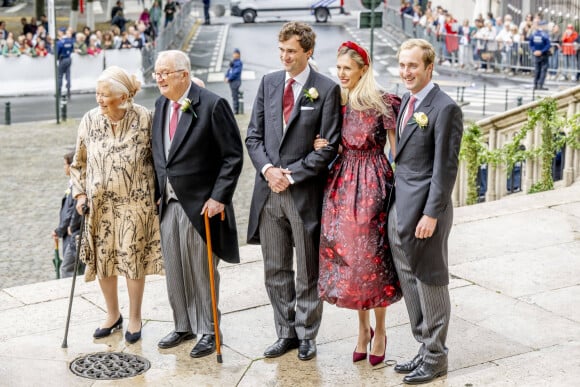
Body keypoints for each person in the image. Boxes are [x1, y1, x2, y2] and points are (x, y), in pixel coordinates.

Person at [245, 21, 342, 361]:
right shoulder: (269, 83)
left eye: (292, 52)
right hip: (269, 192)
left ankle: (306, 334)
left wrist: (293, 174)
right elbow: (253, 136)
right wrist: (269, 170)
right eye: (282, 51)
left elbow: (328, 147)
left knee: (307, 269)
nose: (285, 57)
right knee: (275, 268)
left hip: (303, 195)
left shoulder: (326, 90)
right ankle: (284, 332)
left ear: (308, 52)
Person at [314, 41, 402, 366]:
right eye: (338, 69)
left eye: (346, 69)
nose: (341, 74)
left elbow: (398, 151)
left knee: (373, 261)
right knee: (351, 262)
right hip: (341, 186)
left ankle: (380, 330)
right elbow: (341, 145)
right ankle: (362, 330)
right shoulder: (340, 102)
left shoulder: (384, 102)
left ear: (363, 69)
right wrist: (325, 145)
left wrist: (402, 189)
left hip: (373, 184)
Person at [151, 50, 243, 358]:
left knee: (202, 270)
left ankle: (208, 328)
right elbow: (160, 153)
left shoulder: (213, 105)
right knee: (175, 268)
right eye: (157, 73)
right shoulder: (162, 104)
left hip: (201, 204)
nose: (159, 78)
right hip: (168, 201)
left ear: (184, 75)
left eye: (165, 72)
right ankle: (183, 324)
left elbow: (233, 156)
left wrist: (219, 197)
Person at [70, 66, 163, 344]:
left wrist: (161, 192)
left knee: (132, 259)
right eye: (97, 93)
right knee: (104, 261)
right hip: (99, 205)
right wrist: (80, 195)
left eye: (105, 94)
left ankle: (135, 316)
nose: (99, 99)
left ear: (123, 97)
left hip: (135, 204)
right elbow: (79, 163)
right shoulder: (89, 120)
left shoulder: (145, 118)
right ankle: (113, 315)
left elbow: (160, 159)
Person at [389, 38, 463, 385]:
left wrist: (431, 214)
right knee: (410, 281)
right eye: (403, 65)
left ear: (429, 68)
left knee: (431, 281)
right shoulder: (406, 100)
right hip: (399, 210)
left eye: (413, 66)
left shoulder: (444, 108)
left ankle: (436, 357)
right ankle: (423, 346)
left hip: (425, 214)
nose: (406, 72)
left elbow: (445, 168)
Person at [52, 151, 84, 278]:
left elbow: (71, 210)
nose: (64, 168)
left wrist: (62, 229)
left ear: (71, 166)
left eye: (65, 165)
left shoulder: (76, 186)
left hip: (73, 233)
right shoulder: (72, 184)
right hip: (72, 231)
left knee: (68, 268)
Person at [529, 20, 551, 90]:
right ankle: (540, 85)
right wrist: (541, 51)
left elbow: (531, 44)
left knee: (537, 69)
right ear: (543, 26)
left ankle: (535, 84)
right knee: (543, 70)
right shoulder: (545, 35)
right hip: (543, 54)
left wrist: (534, 51)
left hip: (536, 54)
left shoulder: (534, 34)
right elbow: (548, 45)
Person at [56, 27, 74, 99]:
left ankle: (59, 91)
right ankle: (68, 91)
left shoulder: (60, 42)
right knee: (68, 75)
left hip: (62, 58)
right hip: (69, 58)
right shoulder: (70, 41)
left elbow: (57, 52)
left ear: (61, 33)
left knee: (60, 75)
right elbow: (72, 48)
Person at [224, 48, 243, 114]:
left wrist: (229, 78)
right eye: (233, 53)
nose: (234, 55)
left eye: (235, 53)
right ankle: (235, 109)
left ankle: (236, 110)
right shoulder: (233, 62)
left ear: (238, 54)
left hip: (236, 81)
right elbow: (229, 70)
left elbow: (235, 73)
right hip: (232, 82)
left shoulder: (239, 63)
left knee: (235, 96)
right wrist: (226, 76)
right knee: (234, 95)